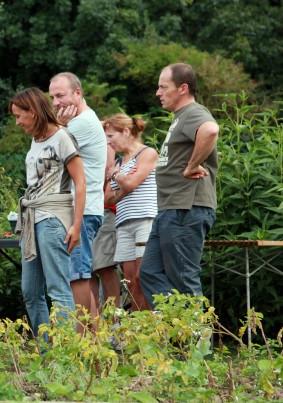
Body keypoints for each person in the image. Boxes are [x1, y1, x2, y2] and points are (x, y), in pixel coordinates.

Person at [9, 87, 86, 339]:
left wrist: (76, 224)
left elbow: (80, 181)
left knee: (58, 288)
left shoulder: (63, 137)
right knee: (30, 292)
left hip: (53, 218)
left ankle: (66, 353)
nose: (17, 122)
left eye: (19, 116)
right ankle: (46, 350)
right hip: (33, 218)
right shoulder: (37, 139)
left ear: (32, 111)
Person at [139, 63, 219, 305]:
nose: (158, 92)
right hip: (170, 209)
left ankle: (198, 342)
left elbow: (211, 130)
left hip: (186, 208)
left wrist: (192, 166)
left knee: (184, 280)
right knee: (150, 273)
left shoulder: (194, 112)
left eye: (163, 87)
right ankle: (177, 334)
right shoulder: (181, 117)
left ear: (183, 88)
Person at [48, 73, 107, 331]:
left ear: (78, 94)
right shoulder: (74, 124)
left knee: (78, 278)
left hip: (83, 211)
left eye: (61, 95)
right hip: (83, 209)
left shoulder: (80, 124)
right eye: (52, 97)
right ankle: (94, 340)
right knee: (79, 277)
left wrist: (58, 127)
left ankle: (83, 341)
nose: (56, 103)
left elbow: (49, 151)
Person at [103, 114, 158, 311]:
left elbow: (131, 183)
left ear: (126, 131)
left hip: (145, 219)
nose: (109, 143)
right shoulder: (119, 162)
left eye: (111, 136)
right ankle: (135, 328)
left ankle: (149, 326)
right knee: (128, 279)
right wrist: (124, 184)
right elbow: (107, 198)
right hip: (123, 222)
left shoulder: (147, 153)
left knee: (141, 275)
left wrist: (116, 176)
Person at [90, 142, 120, 308]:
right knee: (86, 272)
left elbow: (107, 169)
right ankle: (94, 325)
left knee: (105, 267)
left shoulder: (101, 135)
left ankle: (113, 323)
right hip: (81, 211)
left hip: (102, 210)